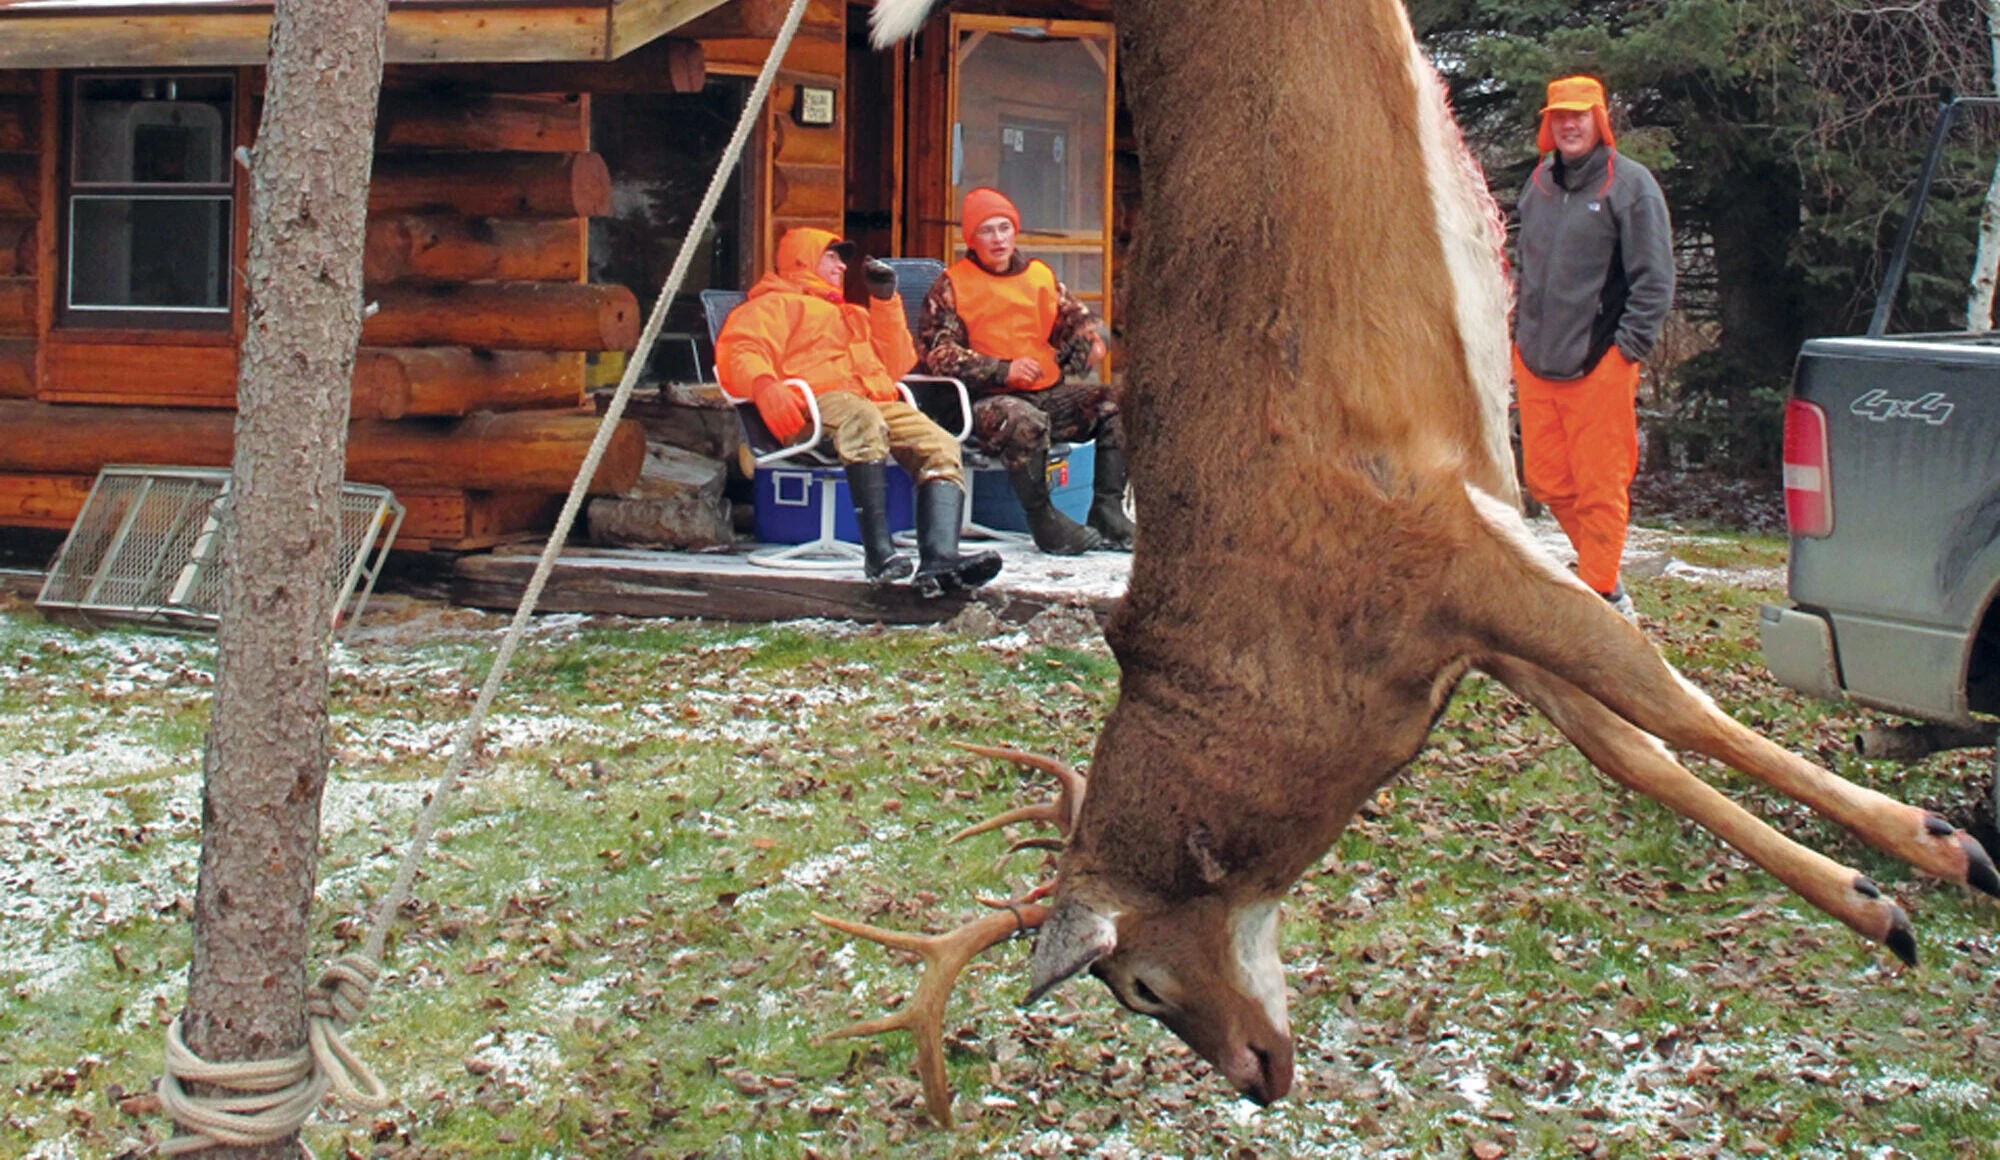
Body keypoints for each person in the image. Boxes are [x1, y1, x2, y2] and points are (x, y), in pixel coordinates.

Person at [717, 227, 1001, 597]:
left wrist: (884, 302)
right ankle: (879, 554)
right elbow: (739, 350)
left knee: (939, 441)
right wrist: (763, 385)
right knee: (861, 417)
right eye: (832, 255)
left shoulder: (852, 314)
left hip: (870, 404)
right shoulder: (771, 305)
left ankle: (939, 559)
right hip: (808, 410)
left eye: (843, 258)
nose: (841, 265)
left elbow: (898, 364)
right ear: (803, 259)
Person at [1513, 75, 1674, 622]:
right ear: (1547, 124)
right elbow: (1525, 266)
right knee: (1547, 481)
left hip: (1599, 364)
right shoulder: (1537, 185)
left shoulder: (1631, 186)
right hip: (1535, 362)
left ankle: (1601, 599)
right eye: (1560, 116)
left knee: (1600, 487)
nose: (1569, 124)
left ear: (1600, 120)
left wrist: (1625, 350)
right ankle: (1606, 581)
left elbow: (1655, 281)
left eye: (1579, 115)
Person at [917, 187, 1134, 555]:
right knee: (1025, 421)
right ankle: (1044, 519)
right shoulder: (952, 286)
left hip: (1045, 393)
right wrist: (1002, 370)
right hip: (982, 402)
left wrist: (1093, 340)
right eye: (987, 230)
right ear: (971, 238)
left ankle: (1107, 509)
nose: (998, 238)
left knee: (1119, 403)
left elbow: (1081, 320)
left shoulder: (1039, 276)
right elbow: (939, 353)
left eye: (1004, 227)